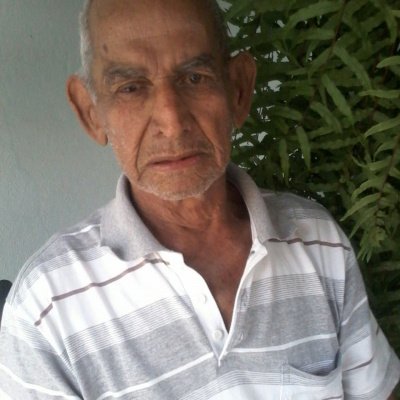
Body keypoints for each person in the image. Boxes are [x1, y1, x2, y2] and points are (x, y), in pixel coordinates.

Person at [0, 0, 399, 398]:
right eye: (131, 88)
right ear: (91, 112)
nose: (172, 122)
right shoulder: (45, 312)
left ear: (238, 89)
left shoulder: (319, 242)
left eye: (195, 78)